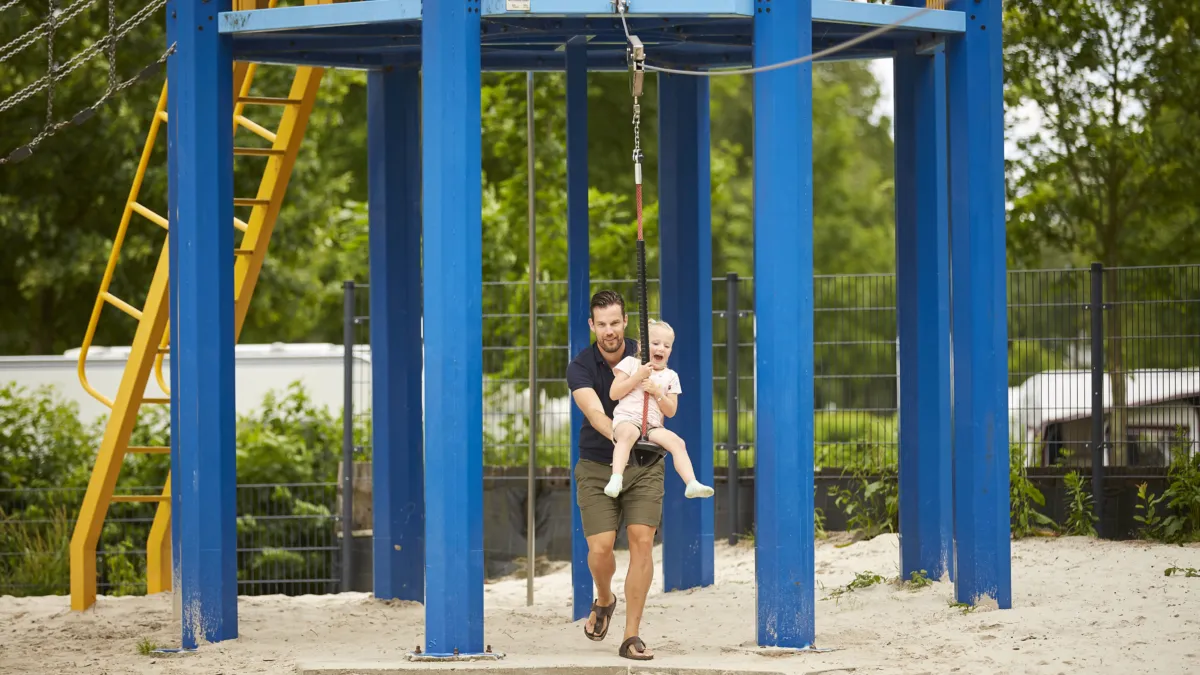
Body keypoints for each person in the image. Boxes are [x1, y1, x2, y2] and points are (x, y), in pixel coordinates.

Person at [565, 290, 658, 661]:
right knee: (600, 549)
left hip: (645, 464)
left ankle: (631, 636)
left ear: (625, 322)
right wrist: (622, 433)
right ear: (592, 325)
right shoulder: (580, 366)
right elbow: (594, 413)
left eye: (615, 323)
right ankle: (604, 598)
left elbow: (667, 394)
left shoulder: (646, 353)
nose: (609, 331)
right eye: (601, 324)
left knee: (642, 542)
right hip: (597, 465)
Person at [605, 319, 714, 500]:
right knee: (627, 434)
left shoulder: (671, 376)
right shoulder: (631, 364)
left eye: (667, 345)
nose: (661, 348)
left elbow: (671, 411)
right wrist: (637, 377)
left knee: (678, 443)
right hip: (628, 419)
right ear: (642, 346)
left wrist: (656, 392)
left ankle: (691, 483)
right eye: (655, 343)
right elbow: (614, 393)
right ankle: (616, 478)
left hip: (652, 426)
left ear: (671, 350)